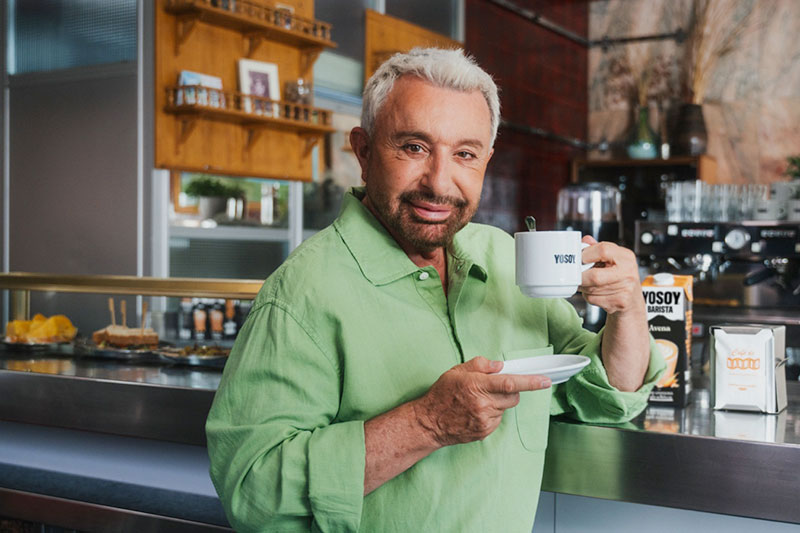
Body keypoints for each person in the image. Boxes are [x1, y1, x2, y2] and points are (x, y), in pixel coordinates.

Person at [206, 48, 665, 532]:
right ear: (363, 151)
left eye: (464, 154)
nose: (439, 182)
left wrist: (629, 310)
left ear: (485, 161)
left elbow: (602, 394)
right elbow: (251, 488)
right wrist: (425, 423)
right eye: (413, 147)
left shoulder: (507, 258)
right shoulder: (302, 292)